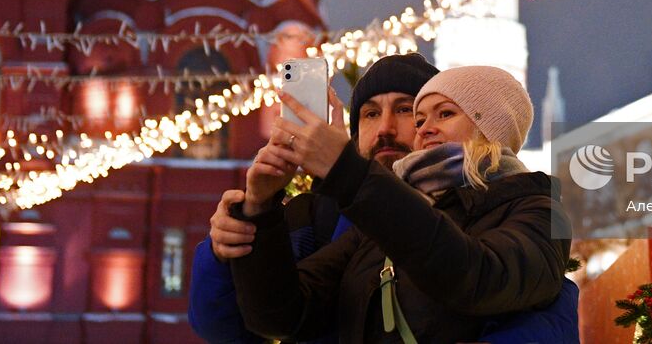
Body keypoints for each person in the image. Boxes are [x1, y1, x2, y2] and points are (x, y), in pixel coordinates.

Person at [187, 54, 578, 344]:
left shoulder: (535, 208)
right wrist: (259, 209)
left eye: (441, 113)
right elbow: (279, 316)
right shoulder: (367, 231)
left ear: (491, 128)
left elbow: (474, 276)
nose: (423, 130)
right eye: (420, 118)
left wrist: (347, 173)